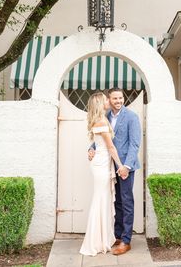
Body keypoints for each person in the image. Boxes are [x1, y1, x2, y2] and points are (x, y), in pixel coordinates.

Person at [89, 88, 141, 255]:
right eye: (114, 98)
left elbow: (134, 144)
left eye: (120, 98)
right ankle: (118, 236)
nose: (118, 101)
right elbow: (102, 138)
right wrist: (91, 148)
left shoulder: (132, 117)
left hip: (125, 166)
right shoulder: (106, 116)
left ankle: (126, 240)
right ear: (109, 100)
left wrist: (126, 166)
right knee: (117, 201)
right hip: (108, 165)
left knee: (126, 201)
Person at [80, 92, 126, 256]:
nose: (109, 101)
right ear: (101, 103)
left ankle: (103, 239)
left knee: (104, 200)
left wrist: (92, 149)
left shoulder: (101, 119)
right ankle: (95, 242)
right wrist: (120, 166)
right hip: (101, 165)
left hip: (102, 163)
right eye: (106, 99)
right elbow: (110, 147)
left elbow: (97, 144)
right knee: (100, 200)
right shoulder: (101, 121)